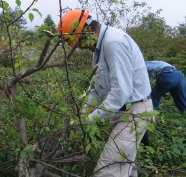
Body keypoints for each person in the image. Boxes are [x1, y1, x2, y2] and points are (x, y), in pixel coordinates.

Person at [58, 9, 153, 177]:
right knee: (125, 167)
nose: (80, 47)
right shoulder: (100, 49)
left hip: (134, 112)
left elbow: (121, 91)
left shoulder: (112, 43)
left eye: (79, 43)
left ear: (86, 32)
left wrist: (91, 119)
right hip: (123, 112)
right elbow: (97, 87)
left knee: (108, 171)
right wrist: (83, 113)